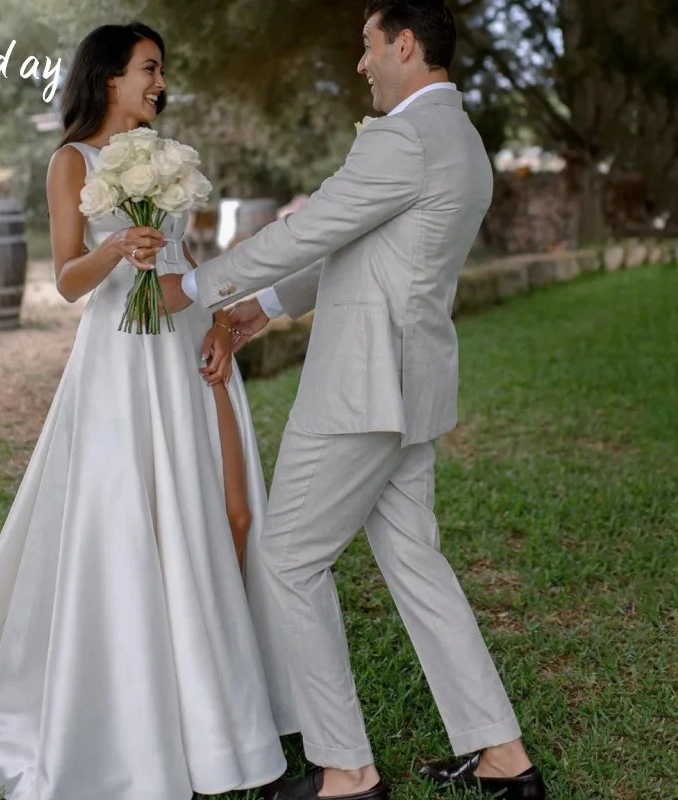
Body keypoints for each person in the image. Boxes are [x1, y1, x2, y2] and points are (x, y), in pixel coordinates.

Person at [0, 22, 297, 800]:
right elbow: (70, 280)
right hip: (122, 358)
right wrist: (119, 249)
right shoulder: (70, 160)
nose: (159, 82)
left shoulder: (169, 157)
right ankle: (174, 712)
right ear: (108, 77)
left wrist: (218, 316)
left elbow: (187, 261)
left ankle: (230, 690)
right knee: (149, 525)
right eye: (149, 68)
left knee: (233, 511)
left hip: (186, 342)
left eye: (162, 69)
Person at [158, 1, 546, 798]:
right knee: (415, 561)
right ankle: (505, 758)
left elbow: (312, 228)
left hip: (361, 389)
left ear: (404, 44)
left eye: (368, 47)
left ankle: (347, 773)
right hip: (412, 385)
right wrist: (261, 308)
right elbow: (359, 242)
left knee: (291, 557)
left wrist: (194, 286)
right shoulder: (459, 139)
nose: (362, 63)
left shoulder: (403, 136)